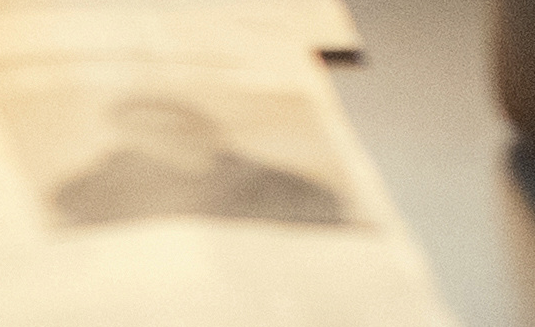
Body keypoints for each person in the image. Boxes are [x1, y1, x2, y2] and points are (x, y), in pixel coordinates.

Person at [42, 90, 347, 230]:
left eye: (177, 127)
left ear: (207, 132)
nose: (162, 137)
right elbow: (66, 216)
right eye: (143, 129)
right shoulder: (96, 187)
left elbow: (326, 209)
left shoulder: (274, 183)